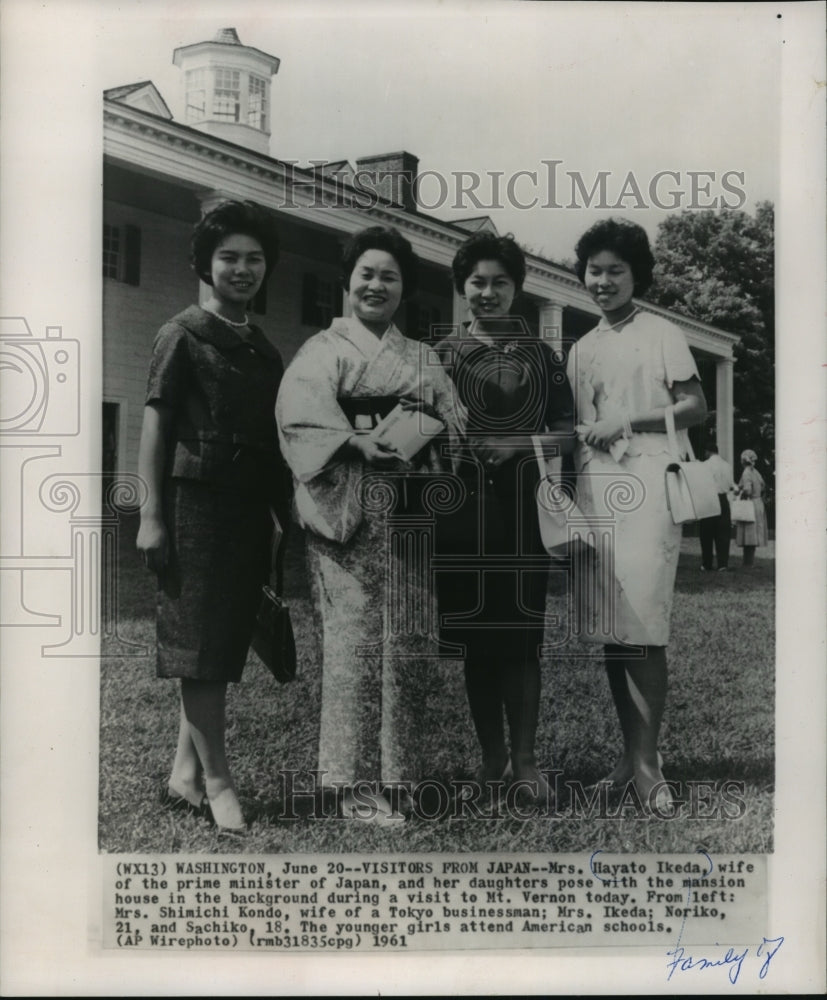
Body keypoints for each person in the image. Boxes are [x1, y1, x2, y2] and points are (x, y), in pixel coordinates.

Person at [276, 226, 462, 825]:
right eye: (367, 274)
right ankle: (352, 785)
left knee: (406, 645)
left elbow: (457, 426)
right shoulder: (322, 351)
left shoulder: (422, 357)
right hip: (348, 514)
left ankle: (401, 776)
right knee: (354, 646)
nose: (377, 285)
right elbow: (301, 425)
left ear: (404, 288)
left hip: (408, 514)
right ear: (348, 282)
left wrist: (431, 429)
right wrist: (358, 440)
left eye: (390, 276)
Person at [136, 200, 289, 832]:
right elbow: (155, 421)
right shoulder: (181, 332)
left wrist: (281, 513)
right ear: (206, 263)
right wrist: (150, 513)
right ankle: (220, 782)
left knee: (220, 642)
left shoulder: (265, 350)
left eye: (254, 259)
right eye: (230, 257)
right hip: (192, 505)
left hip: (249, 510)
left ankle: (184, 776)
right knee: (198, 644)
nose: (243, 268)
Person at [567, 218, 707, 812]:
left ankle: (650, 764)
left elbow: (696, 405)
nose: (602, 281)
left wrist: (629, 420)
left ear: (635, 275)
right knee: (613, 627)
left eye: (614, 271)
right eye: (594, 271)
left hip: (648, 480)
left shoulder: (662, 332)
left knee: (644, 626)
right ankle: (627, 759)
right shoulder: (581, 346)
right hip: (597, 485)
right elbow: (575, 422)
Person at [433, 232, 575, 806]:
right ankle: (491, 759)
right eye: (477, 283)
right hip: (461, 516)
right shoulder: (441, 354)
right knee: (476, 642)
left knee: (520, 641)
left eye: (500, 283)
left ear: (517, 289)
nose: (488, 293)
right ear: (462, 288)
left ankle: (526, 760)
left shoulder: (542, 356)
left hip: (521, 515)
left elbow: (569, 431)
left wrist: (521, 443)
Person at [699, 443, 735, 571]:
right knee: (723, 532)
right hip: (723, 498)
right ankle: (723, 563)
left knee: (706, 532)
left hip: (709, 498)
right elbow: (730, 484)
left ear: (708, 452)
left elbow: (702, 484)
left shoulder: (705, 466)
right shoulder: (727, 466)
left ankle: (707, 563)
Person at [735, 449, 768, 566]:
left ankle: (747, 561)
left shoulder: (746, 472)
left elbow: (747, 489)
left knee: (749, 532)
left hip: (751, 504)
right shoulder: (756, 472)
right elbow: (763, 487)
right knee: (753, 532)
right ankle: (749, 560)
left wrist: (741, 495)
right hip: (758, 503)